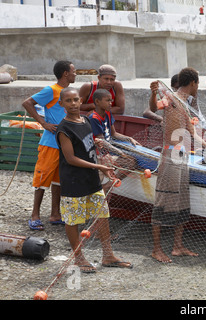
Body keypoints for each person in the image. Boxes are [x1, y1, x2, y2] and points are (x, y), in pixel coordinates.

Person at [151, 67, 206, 263]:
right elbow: (154, 108)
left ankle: (177, 247)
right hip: (170, 155)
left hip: (182, 156)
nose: (197, 88)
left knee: (183, 199)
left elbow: (193, 134)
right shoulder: (170, 98)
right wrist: (152, 93)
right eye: (197, 84)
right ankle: (156, 249)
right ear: (193, 83)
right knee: (163, 200)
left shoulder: (186, 104)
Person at [56, 87, 132, 273]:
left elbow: (89, 145)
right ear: (62, 104)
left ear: (81, 101)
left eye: (75, 100)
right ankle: (79, 258)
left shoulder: (85, 121)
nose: (73, 104)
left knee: (102, 215)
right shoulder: (63, 129)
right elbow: (71, 158)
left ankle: (108, 255)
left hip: (91, 178)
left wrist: (98, 147)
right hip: (73, 181)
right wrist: (99, 167)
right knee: (73, 220)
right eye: (68, 101)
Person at [22, 60, 77, 231]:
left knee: (59, 181)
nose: (76, 74)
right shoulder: (51, 90)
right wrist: (43, 123)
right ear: (65, 73)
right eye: (74, 71)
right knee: (42, 179)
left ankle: (55, 214)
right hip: (50, 143)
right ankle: (35, 215)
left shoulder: (68, 93)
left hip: (64, 143)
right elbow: (27, 103)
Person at [88, 89, 140, 191]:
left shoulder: (107, 113)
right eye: (107, 100)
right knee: (130, 161)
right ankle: (107, 186)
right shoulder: (94, 118)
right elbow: (102, 142)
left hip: (108, 151)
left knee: (132, 157)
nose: (111, 103)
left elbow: (114, 134)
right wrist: (121, 153)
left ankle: (109, 183)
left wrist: (129, 139)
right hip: (99, 154)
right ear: (97, 102)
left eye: (111, 100)